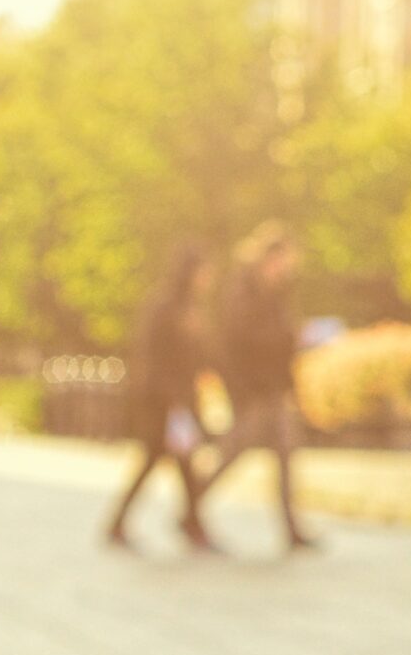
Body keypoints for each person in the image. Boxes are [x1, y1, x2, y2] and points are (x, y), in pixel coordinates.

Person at [203, 224, 318, 552]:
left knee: (284, 455)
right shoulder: (244, 292)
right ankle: (192, 506)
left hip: (273, 390)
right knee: (233, 453)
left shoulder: (278, 293)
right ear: (270, 258)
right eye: (285, 260)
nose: (289, 267)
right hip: (252, 391)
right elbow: (238, 344)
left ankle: (291, 529)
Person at [105, 246, 218, 553]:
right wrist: (172, 399)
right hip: (163, 401)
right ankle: (191, 526)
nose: (209, 279)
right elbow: (154, 356)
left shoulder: (191, 307)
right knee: (164, 461)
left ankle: (189, 524)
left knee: (175, 463)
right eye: (205, 272)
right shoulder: (165, 307)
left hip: (179, 399)